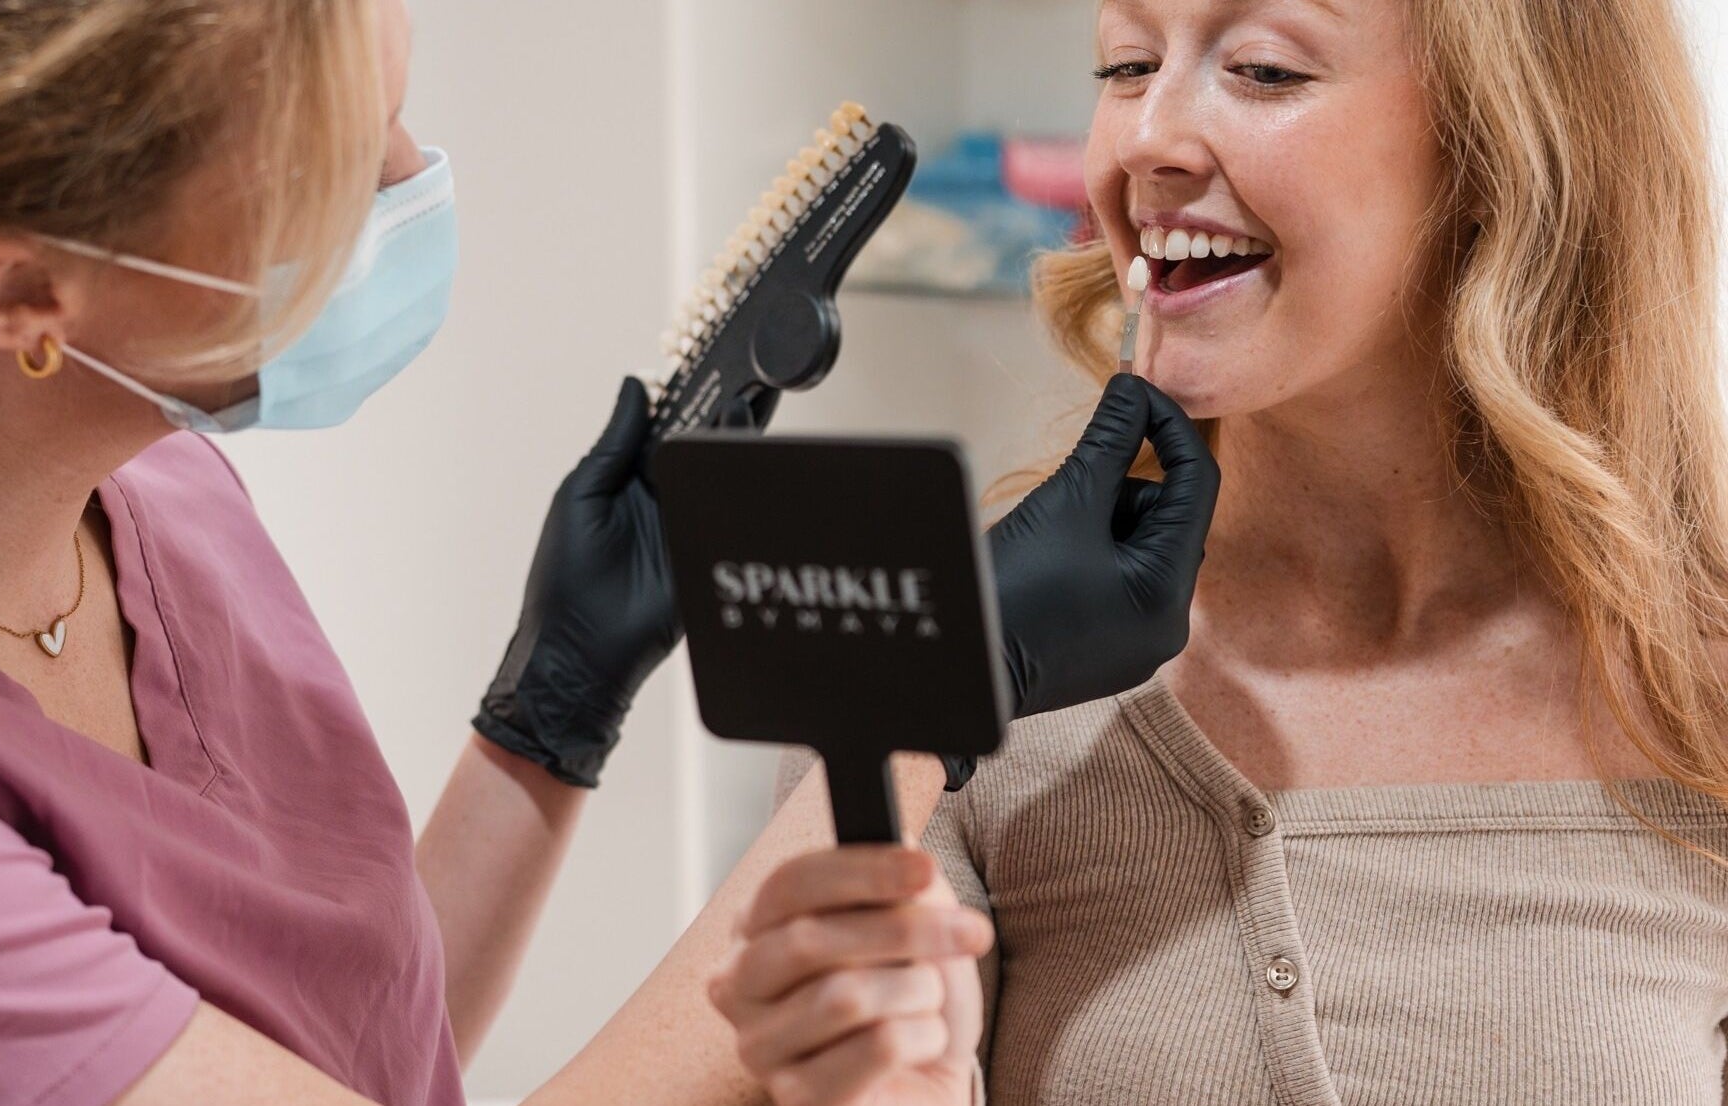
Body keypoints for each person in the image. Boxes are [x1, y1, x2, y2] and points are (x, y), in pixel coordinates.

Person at [0, 3, 1218, 1104]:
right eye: (333, 164)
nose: (411, 178)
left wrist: (551, 711)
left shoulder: (154, 483)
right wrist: (917, 698)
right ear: (16, 292)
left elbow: (341, 1034)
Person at [597, 0, 1728, 1101]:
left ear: (1509, 147)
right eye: (1124, 64)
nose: (1142, 137)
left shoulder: (1699, 687)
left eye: (1265, 69)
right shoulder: (963, 684)